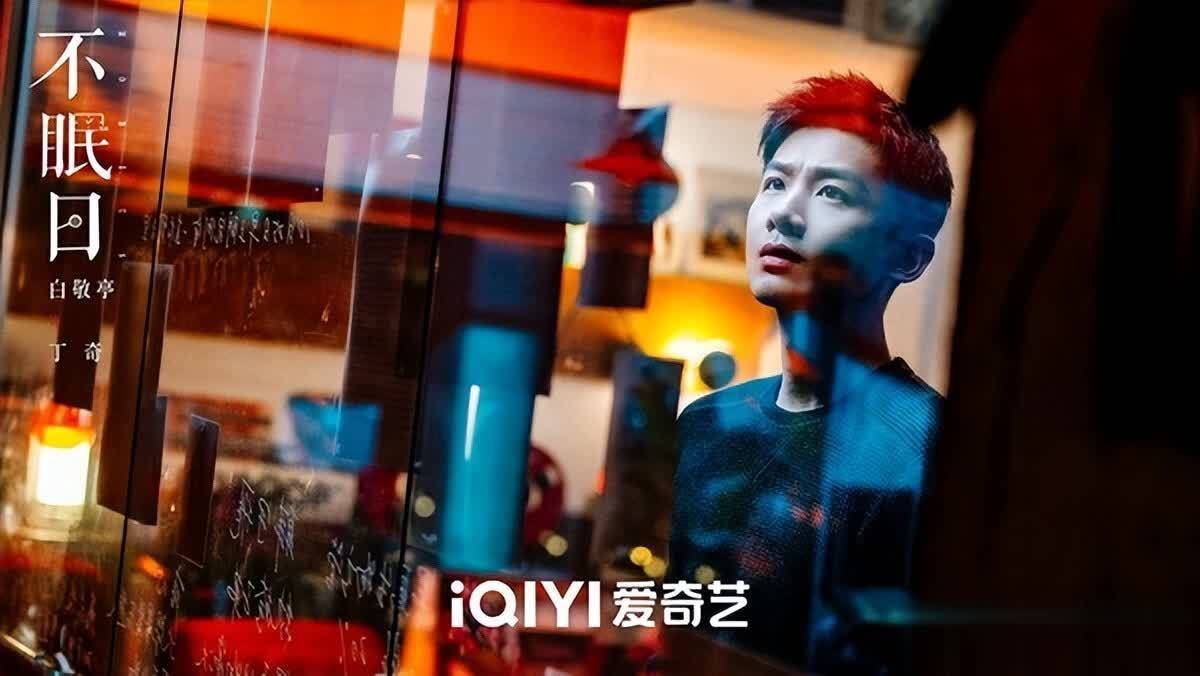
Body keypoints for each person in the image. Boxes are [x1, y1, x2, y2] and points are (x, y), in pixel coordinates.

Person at [667, 73, 953, 671]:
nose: (784, 214)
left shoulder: (930, 448)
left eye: (831, 193)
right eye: (775, 183)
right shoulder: (707, 423)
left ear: (907, 256)